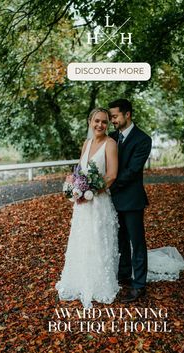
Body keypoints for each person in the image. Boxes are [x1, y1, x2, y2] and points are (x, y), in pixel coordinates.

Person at [56, 108, 120, 309]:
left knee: (98, 240)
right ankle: (80, 279)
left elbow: (111, 175)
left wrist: (89, 190)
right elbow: (80, 171)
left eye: (104, 122)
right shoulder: (86, 143)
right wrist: (73, 185)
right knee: (83, 240)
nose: (100, 125)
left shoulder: (110, 144)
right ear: (89, 122)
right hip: (82, 205)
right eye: (97, 121)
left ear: (108, 124)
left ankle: (100, 283)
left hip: (99, 203)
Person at [108, 98, 152, 302]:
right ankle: (124, 274)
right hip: (112, 200)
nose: (112, 120)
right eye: (111, 117)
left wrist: (107, 185)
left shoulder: (143, 139)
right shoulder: (111, 137)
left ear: (127, 115)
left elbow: (133, 170)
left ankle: (139, 284)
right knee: (121, 240)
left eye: (115, 116)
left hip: (132, 199)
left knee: (137, 241)